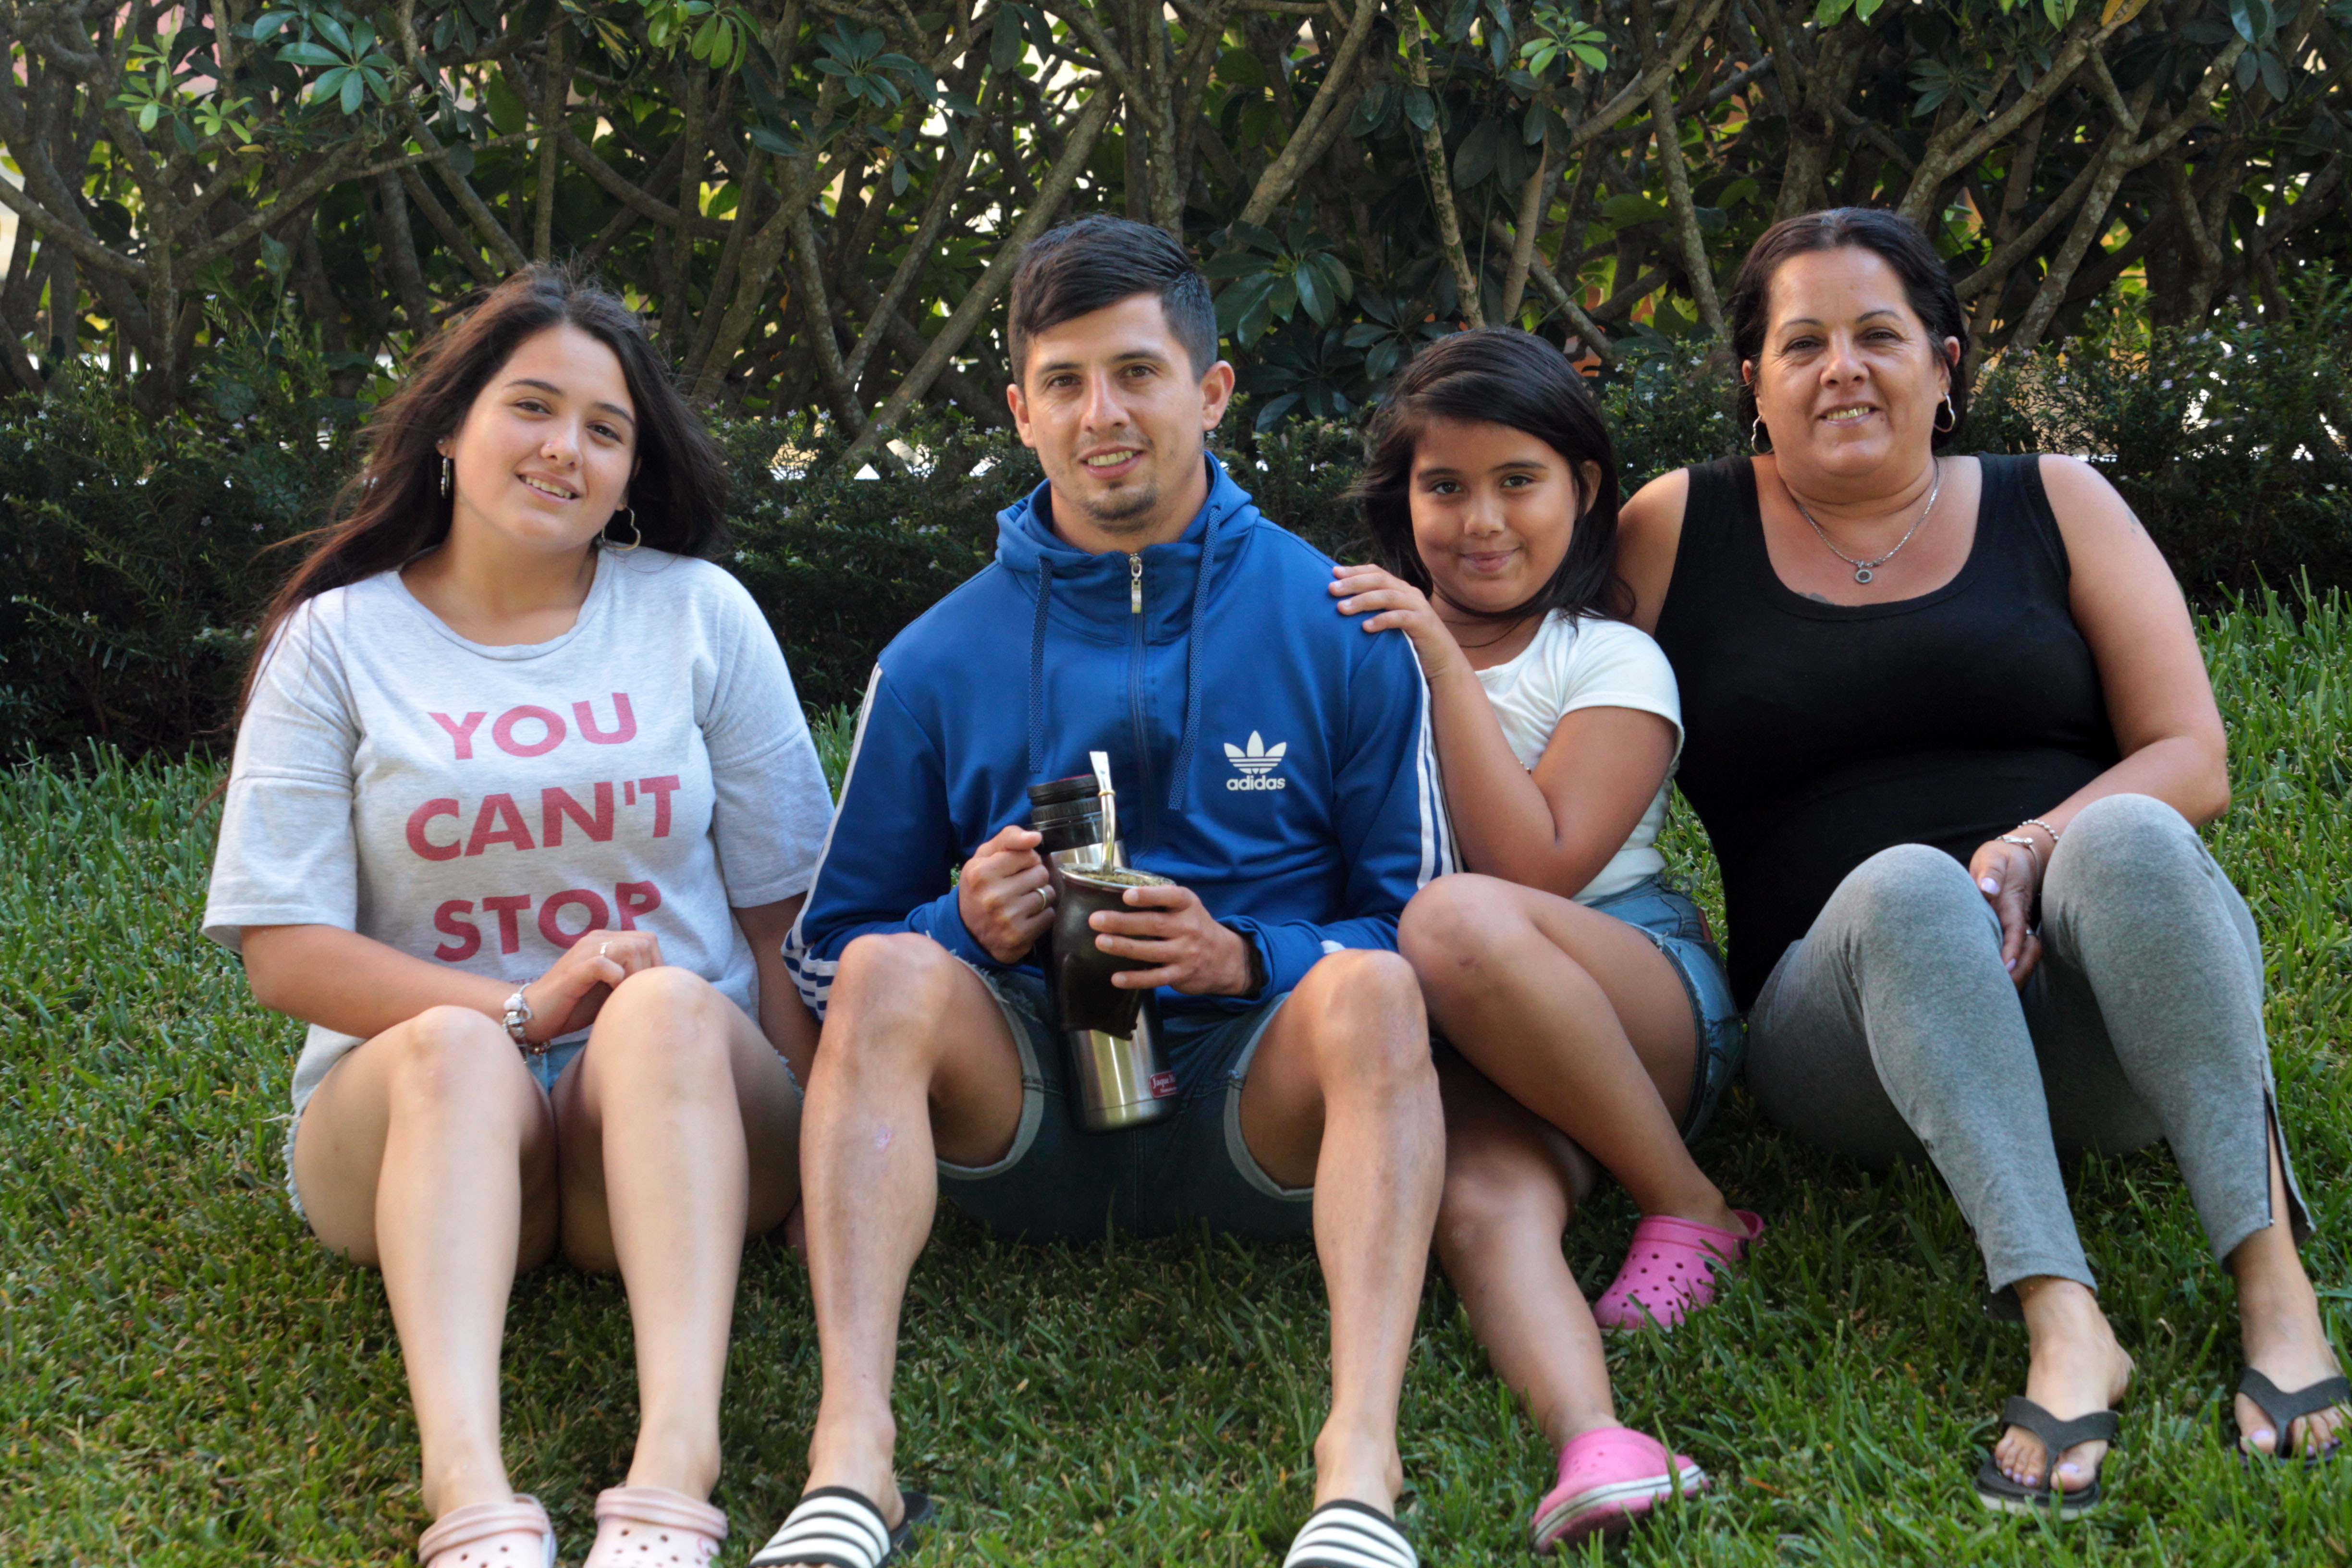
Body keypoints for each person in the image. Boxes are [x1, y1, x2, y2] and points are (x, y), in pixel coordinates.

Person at [1612, 207, 2347, 1516]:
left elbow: (2193, 753)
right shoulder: (1679, 528)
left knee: (2123, 826)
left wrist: (2028, 843)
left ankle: (2276, 1291)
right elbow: (1551, 698)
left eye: (1880, 335)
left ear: (1946, 365)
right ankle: (2066, 1321)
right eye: (1804, 342)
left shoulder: (2057, 501)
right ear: (1754, 384)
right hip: (1853, 1042)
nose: (1845, 367)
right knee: (1908, 880)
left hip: (2105, 1021)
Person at [751, 216, 1449, 1568]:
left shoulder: (1341, 624)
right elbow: (829, 958)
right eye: (1064, 382)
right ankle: (853, 1464)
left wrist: (1249, 958)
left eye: (1136, 372)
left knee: (1368, 989)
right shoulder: (936, 655)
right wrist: (965, 925)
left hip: (1262, 1109)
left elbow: (1416, 928)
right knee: (900, 969)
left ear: (1211, 390)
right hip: (1019, 1112)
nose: (1102, 414)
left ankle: (1359, 1464)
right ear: (1020, 411)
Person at [202, 267, 834, 1568]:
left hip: (664, 1133)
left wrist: (824, 1153)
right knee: (455, 1050)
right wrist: (518, 1009)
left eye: (606, 431)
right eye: (532, 408)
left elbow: (786, 915)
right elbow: (284, 949)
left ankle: (678, 1465)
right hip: (412, 1143)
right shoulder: (336, 642)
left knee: (663, 1004)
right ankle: (471, 1494)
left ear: (630, 470)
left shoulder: (698, 616)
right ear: (449, 425)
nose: (567, 448)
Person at [1327, 328, 1751, 1552]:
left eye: (1519, 481)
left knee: (1455, 915)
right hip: (1475, 1035)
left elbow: (1535, 866)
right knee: (1476, 1203)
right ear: (1403, 501)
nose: (1480, 520)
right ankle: (1599, 1440)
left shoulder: (1611, 657)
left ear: (1583, 489)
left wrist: (1440, 665)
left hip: (1637, 990)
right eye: (1443, 486)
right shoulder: (1358, 641)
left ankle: (1690, 1201)